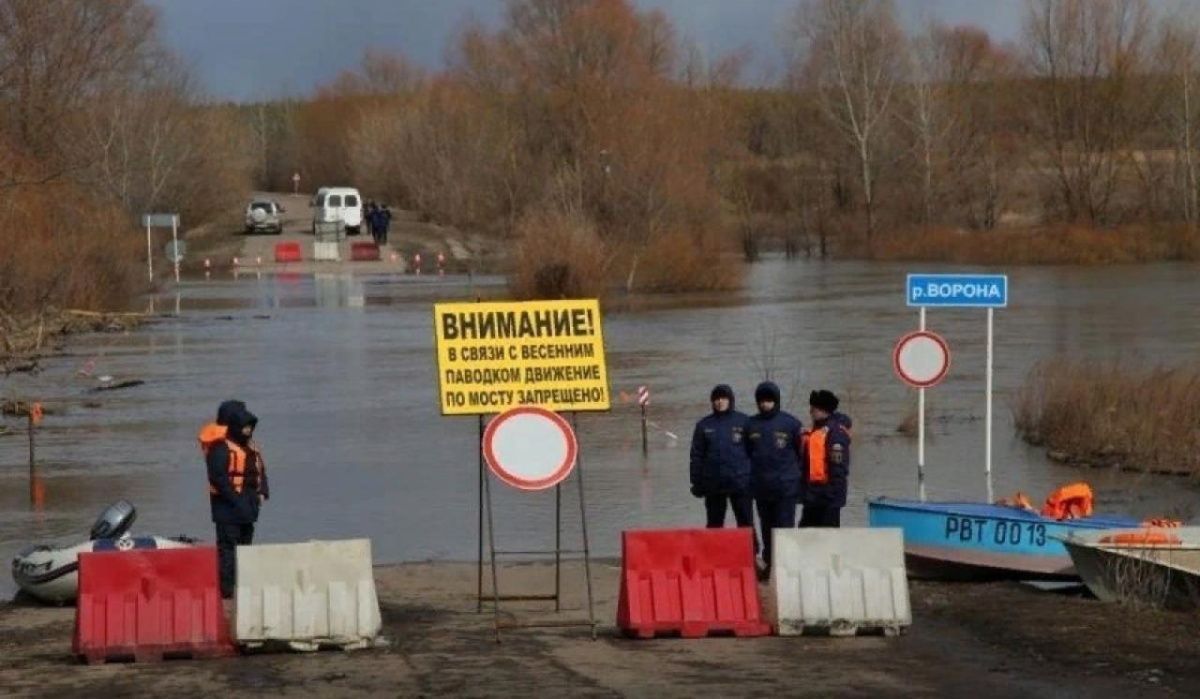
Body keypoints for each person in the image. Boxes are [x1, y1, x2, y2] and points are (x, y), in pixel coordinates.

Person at [198, 400, 269, 598]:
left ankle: (243, 587)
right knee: (228, 552)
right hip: (227, 510)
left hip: (248, 508)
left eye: (250, 426)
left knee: (245, 550)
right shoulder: (220, 448)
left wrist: (263, 491)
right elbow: (218, 477)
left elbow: (261, 471)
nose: (248, 430)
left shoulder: (250, 447)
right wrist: (236, 500)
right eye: (245, 426)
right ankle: (227, 593)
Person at [745, 381, 804, 578]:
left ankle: (786, 569)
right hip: (762, 488)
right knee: (767, 528)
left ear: (776, 401)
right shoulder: (750, 425)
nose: (765, 404)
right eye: (761, 401)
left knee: (785, 528)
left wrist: (798, 483)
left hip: (785, 488)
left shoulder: (791, 424)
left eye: (769, 401)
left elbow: (800, 455)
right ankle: (770, 565)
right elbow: (746, 454)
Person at [689, 385, 754, 538]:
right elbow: (696, 456)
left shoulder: (744, 422)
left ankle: (750, 554)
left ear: (730, 400)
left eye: (723, 398)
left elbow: (754, 453)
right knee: (714, 524)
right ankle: (712, 556)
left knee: (745, 522)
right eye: (716, 399)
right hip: (713, 484)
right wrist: (696, 482)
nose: (720, 402)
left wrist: (754, 479)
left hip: (740, 482)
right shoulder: (704, 425)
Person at [799, 389, 851, 528]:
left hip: (828, 497)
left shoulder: (836, 434)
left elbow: (838, 468)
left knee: (828, 539)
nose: (810, 412)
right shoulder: (814, 431)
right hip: (813, 496)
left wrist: (832, 496)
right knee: (805, 536)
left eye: (813, 409)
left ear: (823, 410)